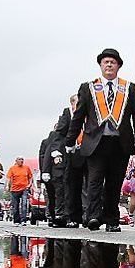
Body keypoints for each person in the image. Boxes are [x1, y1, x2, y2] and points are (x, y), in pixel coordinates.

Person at [67, 48, 135, 232]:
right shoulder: (89, 87)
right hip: (95, 143)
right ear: (100, 65)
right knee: (94, 180)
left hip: (120, 142)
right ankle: (93, 217)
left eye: (113, 62)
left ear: (118, 66)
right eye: (105, 62)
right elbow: (79, 116)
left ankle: (112, 219)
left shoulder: (129, 87)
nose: (109, 65)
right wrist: (70, 140)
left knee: (114, 182)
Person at [53, 95, 86, 228]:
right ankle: (72, 217)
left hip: (87, 153)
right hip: (71, 154)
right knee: (71, 186)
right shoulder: (67, 114)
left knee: (89, 186)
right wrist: (56, 152)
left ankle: (87, 216)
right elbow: (59, 134)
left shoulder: (89, 114)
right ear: (72, 104)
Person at [5, 157, 32, 225]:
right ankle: (16, 221)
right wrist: (7, 186)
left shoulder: (26, 168)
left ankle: (23, 220)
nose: (21, 161)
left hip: (24, 189)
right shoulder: (12, 168)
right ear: (16, 161)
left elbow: (30, 177)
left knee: (24, 204)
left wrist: (30, 184)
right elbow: (8, 178)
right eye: (19, 159)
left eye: (22, 159)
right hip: (14, 189)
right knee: (15, 205)